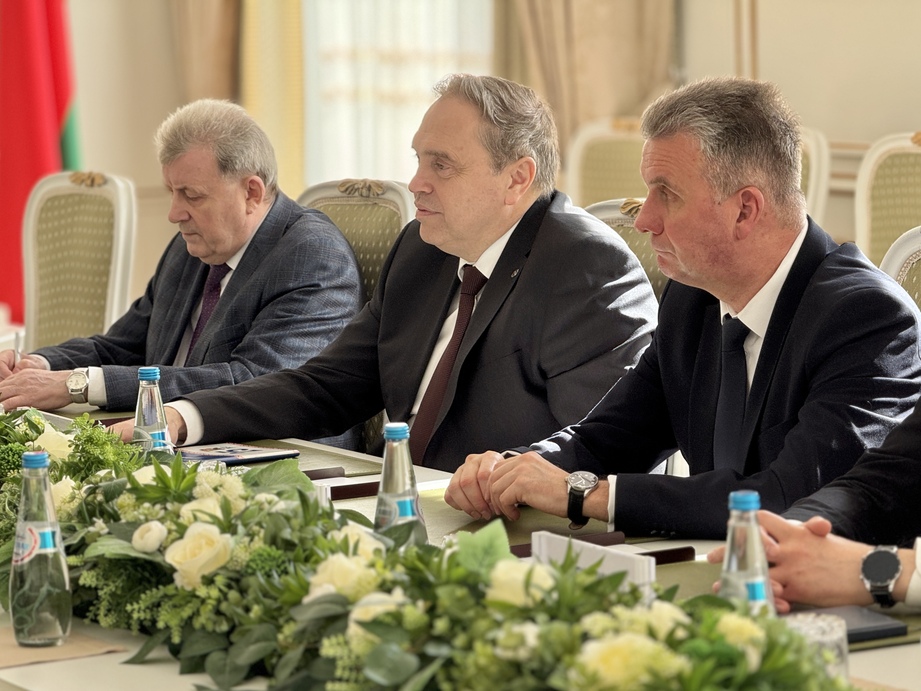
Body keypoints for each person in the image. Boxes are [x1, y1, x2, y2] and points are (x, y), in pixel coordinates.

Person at [444, 76, 921, 538]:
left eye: (667, 194)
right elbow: (609, 438)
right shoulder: (692, 299)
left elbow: (785, 500)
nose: (645, 220)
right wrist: (513, 470)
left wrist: (582, 495)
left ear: (745, 210)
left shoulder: (869, 320)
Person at [152, 73, 659, 471]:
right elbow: (328, 386)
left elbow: (600, 448)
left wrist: (497, 479)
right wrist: (186, 416)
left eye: (442, 165)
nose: (416, 183)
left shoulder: (586, 269)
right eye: (418, 161)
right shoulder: (422, 249)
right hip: (388, 496)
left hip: (498, 529)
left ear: (516, 178)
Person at [0, 100, 363, 436]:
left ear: (251, 192)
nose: (174, 214)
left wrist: (77, 385)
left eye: (192, 195)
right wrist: (37, 366)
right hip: (170, 441)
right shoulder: (192, 246)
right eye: (171, 192)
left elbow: (252, 382)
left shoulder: (312, 256)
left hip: (278, 457)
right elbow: (123, 346)